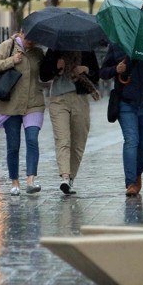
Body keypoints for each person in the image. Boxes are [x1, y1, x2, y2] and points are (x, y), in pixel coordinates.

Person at [99, 43, 143, 197]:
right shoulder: (117, 46)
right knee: (131, 140)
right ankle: (130, 182)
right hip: (126, 103)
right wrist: (115, 69)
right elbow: (103, 72)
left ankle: (136, 174)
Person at [0, 30, 45, 196]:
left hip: (33, 103)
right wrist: (12, 61)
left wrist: (58, 66)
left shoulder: (38, 53)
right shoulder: (8, 45)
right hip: (11, 104)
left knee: (32, 139)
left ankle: (31, 180)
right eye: (29, 38)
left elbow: (46, 75)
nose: (31, 42)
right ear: (21, 32)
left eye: (35, 39)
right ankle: (15, 182)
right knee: (13, 145)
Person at [40, 49, 100, 195]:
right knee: (63, 139)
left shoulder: (86, 50)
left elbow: (97, 75)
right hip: (58, 100)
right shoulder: (54, 49)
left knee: (79, 142)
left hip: (80, 99)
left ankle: (71, 177)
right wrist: (57, 67)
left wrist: (85, 69)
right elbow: (43, 75)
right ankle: (65, 177)